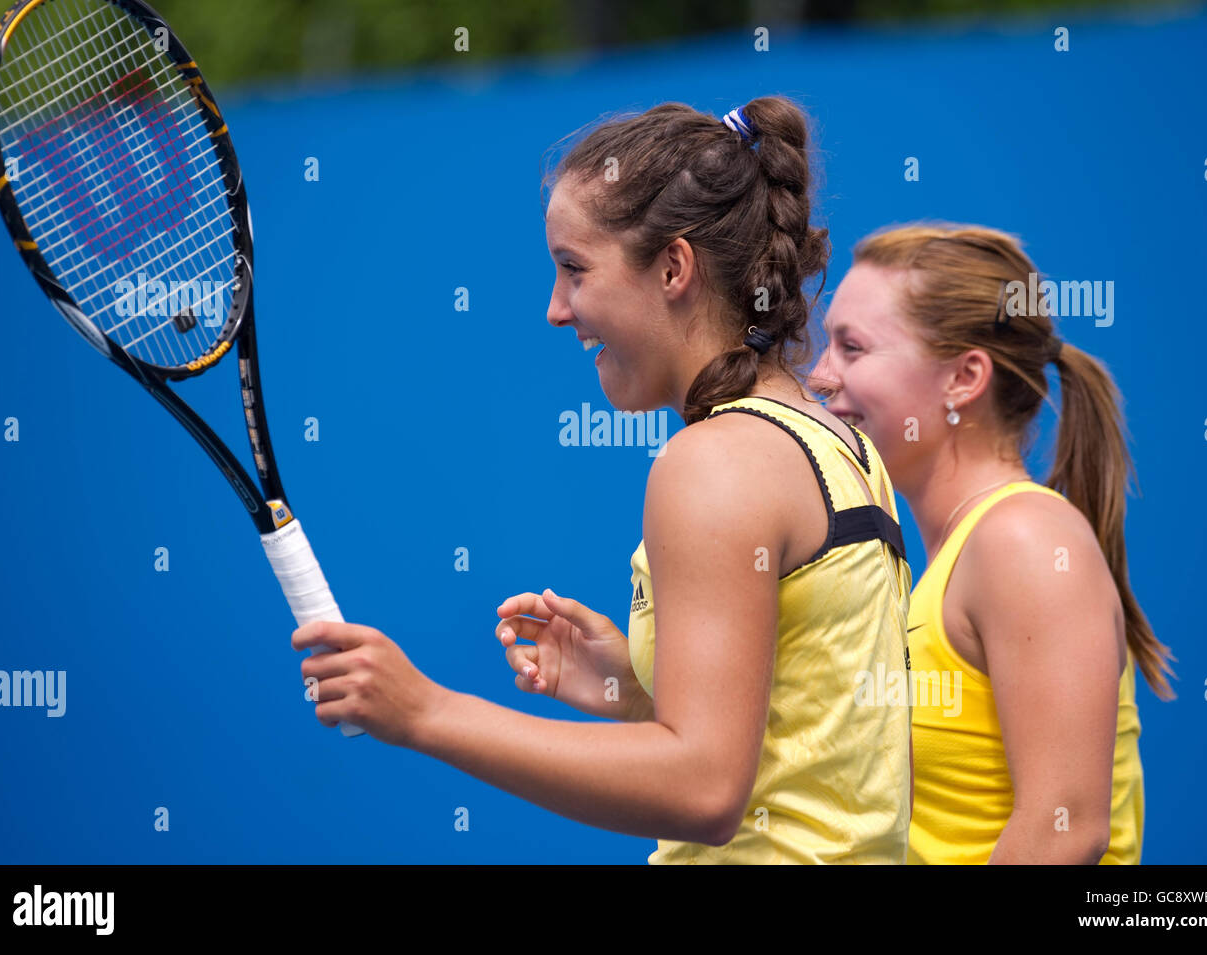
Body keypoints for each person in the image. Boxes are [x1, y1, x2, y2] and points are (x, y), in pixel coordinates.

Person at [291, 97, 913, 863]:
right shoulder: (841, 444)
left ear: (674, 268)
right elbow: (806, 751)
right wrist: (631, 688)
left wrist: (427, 712)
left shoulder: (716, 461)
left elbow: (706, 789)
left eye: (574, 269)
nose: (557, 310)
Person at [808, 223, 1175, 864]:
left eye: (853, 348)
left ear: (963, 378)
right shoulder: (961, 560)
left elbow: (1064, 832)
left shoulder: (1023, 542)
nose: (819, 376)